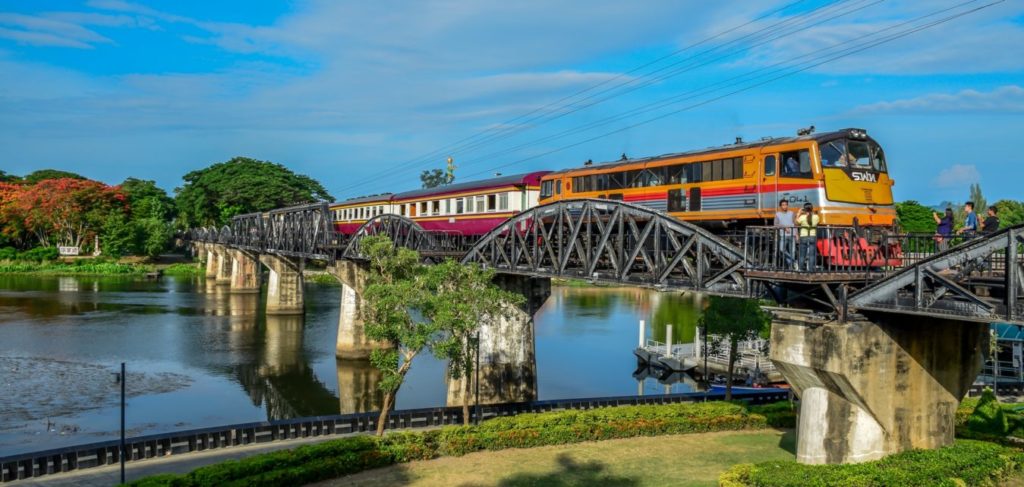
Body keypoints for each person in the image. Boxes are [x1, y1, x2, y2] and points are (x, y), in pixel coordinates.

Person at [796, 202, 820, 272]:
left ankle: (800, 269)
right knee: (812, 255)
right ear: (812, 209)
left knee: (802, 254)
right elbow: (818, 222)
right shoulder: (816, 217)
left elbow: (796, 222)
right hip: (812, 236)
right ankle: (811, 269)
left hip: (803, 236)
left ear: (804, 209)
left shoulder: (802, 217)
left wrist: (798, 213)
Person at [773, 200, 796, 268]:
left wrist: (797, 234)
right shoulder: (778, 214)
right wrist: (784, 227)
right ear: (780, 206)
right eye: (783, 205)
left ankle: (791, 267)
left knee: (793, 251)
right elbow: (775, 224)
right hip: (783, 235)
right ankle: (793, 262)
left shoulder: (792, 213)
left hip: (792, 235)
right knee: (781, 249)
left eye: (786, 204)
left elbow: (795, 224)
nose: (785, 206)